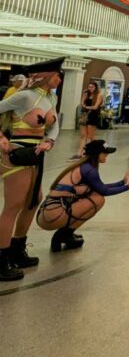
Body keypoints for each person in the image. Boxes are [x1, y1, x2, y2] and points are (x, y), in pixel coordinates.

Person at [0, 58, 63, 281]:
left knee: (33, 200)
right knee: (14, 204)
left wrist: (50, 141)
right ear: (45, 76)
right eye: (56, 74)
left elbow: (55, 125)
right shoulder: (25, 96)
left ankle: (17, 249)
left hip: (37, 154)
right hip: (16, 153)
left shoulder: (50, 97)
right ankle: (2, 259)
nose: (59, 78)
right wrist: (1, 138)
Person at [36, 140, 129, 251]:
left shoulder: (83, 166)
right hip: (53, 216)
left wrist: (121, 183)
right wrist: (127, 187)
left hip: (47, 214)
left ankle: (65, 235)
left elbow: (100, 187)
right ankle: (62, 236)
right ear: (97, 154)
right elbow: (104, 191)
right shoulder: (89, 170)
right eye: (105, 153)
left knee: (96, 195)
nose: (107, 155)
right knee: (98, 200)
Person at [77, 80, 103, 156]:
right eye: (89, 87)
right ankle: (79, 152)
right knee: (83, 135)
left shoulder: (99, 95)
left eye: (92, 87)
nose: (90, 88)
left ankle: (94, 151)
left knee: (91, 136)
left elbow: (95, 107)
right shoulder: (86, 94)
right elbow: (81, 104)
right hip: (84, 116)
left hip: (93, 116)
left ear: (95, 87)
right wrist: (84, 96)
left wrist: (86, 107)